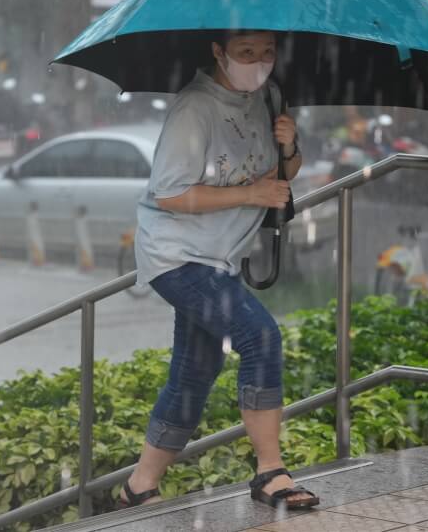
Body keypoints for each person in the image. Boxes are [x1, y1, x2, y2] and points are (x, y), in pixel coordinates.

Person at [122, 29, 319, 511]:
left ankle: (137, 488)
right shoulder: (195, 109)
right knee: (260, 336)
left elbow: (283, 172)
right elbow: (169, 193)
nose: (258, 61)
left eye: (267, 51)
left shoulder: (269, 96)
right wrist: (250, 194)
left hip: (220, 257)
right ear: (218, 52)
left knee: (197, 369)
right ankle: (270, 472)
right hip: (177, 254)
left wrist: (290, 147)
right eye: (245, 52)